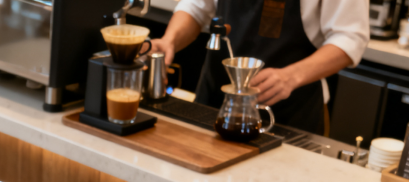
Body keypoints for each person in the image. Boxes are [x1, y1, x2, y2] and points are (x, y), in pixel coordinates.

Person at [149, 0, 369, 134]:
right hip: (215, 102)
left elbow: (350, 38)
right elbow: (196, 6)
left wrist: (291, 76)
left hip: (288, 113)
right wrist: (170, 40)